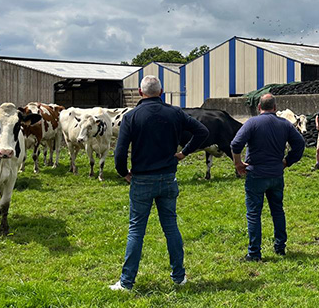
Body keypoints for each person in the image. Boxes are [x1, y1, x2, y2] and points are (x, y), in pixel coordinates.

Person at [110, 75, 210, 291]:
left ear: (139, 92)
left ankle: (127, 282)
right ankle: (179, 276)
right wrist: (184, 153)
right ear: (161, 92)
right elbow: (203, 131)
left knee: (136, 230)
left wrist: (123, 173)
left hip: (141, 179)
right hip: (167, 177)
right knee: (171, 227)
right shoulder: (174, 112)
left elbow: (120, 152)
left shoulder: (132, 116)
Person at [230, 94, 306, 261]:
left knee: (254, 214)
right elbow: (300, 144)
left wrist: (238, 163)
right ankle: (280, 247)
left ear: (259, 107)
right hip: (276, 174)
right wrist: (287, 161)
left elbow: (236, 144)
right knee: (277, 211)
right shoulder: (285, 124)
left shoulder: (252, 123)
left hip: (256, 174)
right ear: (275, 107)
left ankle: (254, 253)